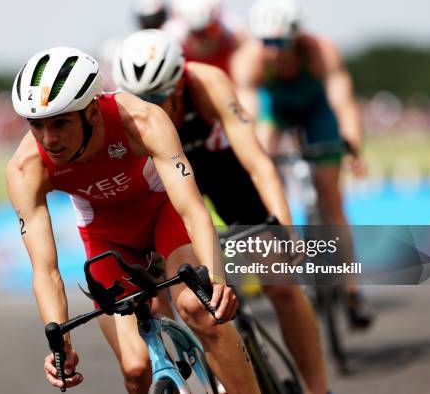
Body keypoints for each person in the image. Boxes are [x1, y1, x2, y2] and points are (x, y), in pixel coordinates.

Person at [6, 46, 261, 394]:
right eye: (36, 125)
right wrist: (59, 342)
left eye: (61, 122)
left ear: (92, 111)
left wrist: (216, 279)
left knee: (198, 307)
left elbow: (191, 208)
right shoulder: (26, 167)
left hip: (161, 213)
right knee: (136, 368)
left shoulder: (141, 120)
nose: (48, 139)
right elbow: (46, 270)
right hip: (106, 237)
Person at [113, 29, 330, 394]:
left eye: (161, 98)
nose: (151, 108)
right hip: (163, 183)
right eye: (142, 99)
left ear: (180, 83)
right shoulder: (125, 113)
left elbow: (258, 164)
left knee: (279, 279)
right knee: (165, 296)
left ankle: (320, 389)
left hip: (219, 168)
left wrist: (285, 229)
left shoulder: (208, 83)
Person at [232, 0, 373, 327]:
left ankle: (352, 290)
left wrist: (352, 144)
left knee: (332, 200)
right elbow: (248, 115)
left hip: (316, 110)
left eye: (281, 42)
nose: (273, 50)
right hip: (275, 109)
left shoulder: (320, 51)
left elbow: (343, 102)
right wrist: (255, 157)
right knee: (264, 157)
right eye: (266, 41)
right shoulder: (248, 60)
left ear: (295, 37)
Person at [164, 0, 247, 77]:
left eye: (209, 30)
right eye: (196, 33)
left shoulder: (236, 33)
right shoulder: (170, 39)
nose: (204, 39)